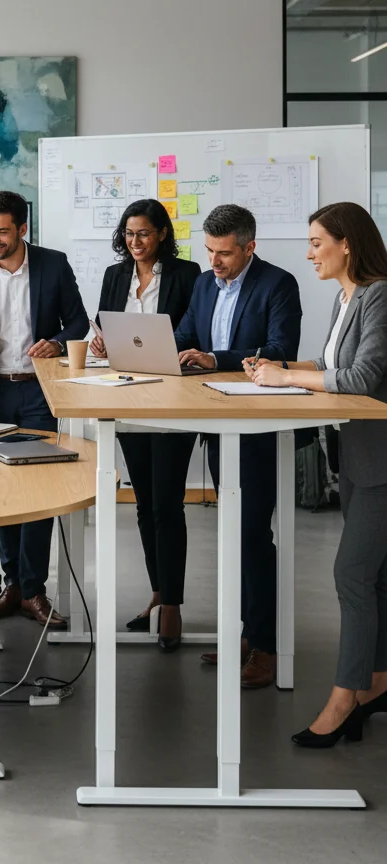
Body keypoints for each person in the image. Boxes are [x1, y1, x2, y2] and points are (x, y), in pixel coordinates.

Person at [248, 202, 387, 745]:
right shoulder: (345, 296)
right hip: (355, 455)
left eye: (316, 243)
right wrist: (280, 368)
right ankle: (376, 684)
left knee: (351, 575)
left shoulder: (379, 295)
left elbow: (361, 376)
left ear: (346, 243)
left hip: (379, 459)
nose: (309, 253)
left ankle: (345, 697)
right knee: (373, 578)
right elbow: (331, 364)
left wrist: (286, 383)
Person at [0, 190, 89, 627]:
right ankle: (12, 584)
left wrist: (59, 342)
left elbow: (80, 321)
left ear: (22, 229)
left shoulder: (53, 264)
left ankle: (34, 590)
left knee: (39, 492)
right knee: (3, 490)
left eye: (2, 231)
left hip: (40, 391)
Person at [174, 203, 302, 689]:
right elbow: (187, 332)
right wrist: (171, 350)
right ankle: (249, 634)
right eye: (209, 251)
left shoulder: (278, 284)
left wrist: (215, 358)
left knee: (252, 536)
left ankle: (266, 648)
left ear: (250, 247)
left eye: (224, 253)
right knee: (236, 538)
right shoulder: (205, 285)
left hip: (255, 427)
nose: (214, 262)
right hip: (217, 421)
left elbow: (279, 350)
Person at [90, 199, 201, 650]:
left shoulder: (188, 274)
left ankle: (172, 604)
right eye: (129, 234)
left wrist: (170, 345)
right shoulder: (116, 275)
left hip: (173, 397)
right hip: (128, 395)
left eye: (144, 234)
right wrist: (100, 341)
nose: (136, 243)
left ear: (161, 235)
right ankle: (157, 593)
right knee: (143, 503)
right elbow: (105, 323)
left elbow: (197, 329)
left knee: (168, 504)